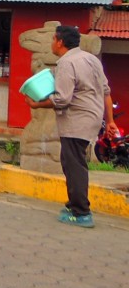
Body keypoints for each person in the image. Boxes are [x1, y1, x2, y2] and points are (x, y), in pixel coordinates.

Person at [26, 24, 117, 228]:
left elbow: (62, 99)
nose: (51, 43)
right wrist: (110, 121)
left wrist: (37, 104)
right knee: (69, 161)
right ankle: (73, 203)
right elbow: (106, 91)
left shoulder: (66, 63)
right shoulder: (91, 58)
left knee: (74, 164)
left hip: (77, 120)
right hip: (92, 118)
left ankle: (81, 211)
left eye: (53, 39)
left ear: (60, 42)